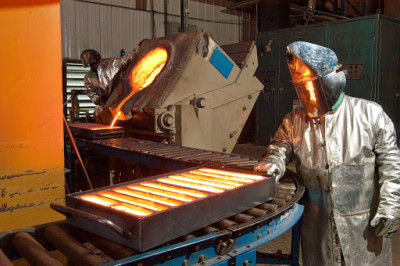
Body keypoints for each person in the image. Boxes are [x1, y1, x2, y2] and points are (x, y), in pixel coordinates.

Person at [254, 41, 400, 265]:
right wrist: (273, 161)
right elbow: (279, 147)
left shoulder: (371, 114)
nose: (307, 94)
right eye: (301, 87)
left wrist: (390, 207)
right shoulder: (295, 121)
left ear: (332, 81)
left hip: (363, 225)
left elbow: (392, 163)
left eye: (311, 86)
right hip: (318, 225)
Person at [80, 48, 137, 117]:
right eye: (91, 64)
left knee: (124, 120)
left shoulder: (111, 65)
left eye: (95, 63)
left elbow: (125, 59)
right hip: (105, 105)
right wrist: (97, 99)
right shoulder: (88, 77)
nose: (93, 66)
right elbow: (90, 92)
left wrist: (137, 49)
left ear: (99, 60)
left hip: (120, 100)